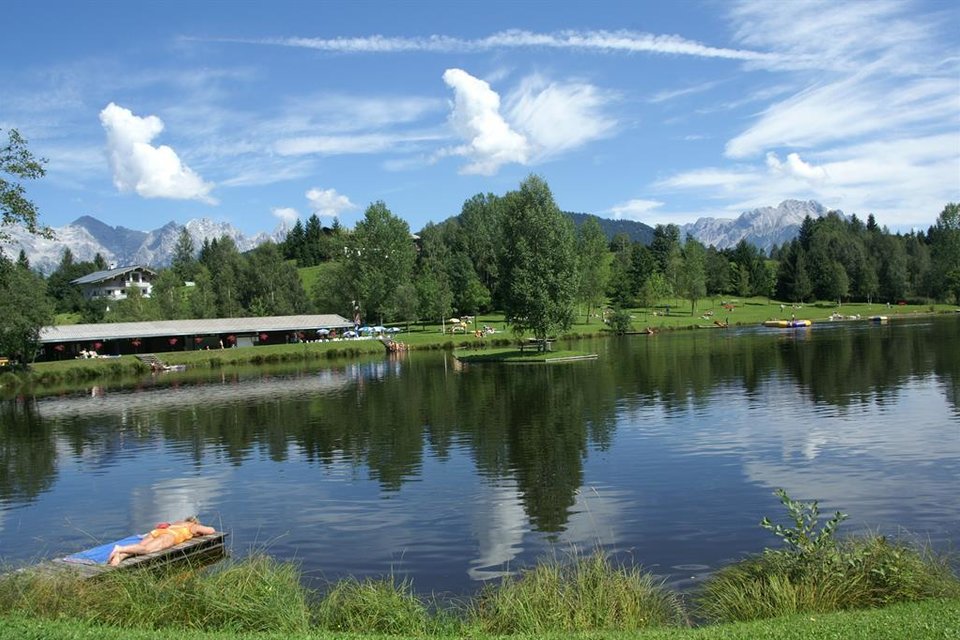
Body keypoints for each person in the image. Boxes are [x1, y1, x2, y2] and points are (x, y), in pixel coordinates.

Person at [107, 516, 216, 566]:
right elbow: (211, 531)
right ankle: (120, 548)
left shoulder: (177, 523)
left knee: (139, 548)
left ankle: (120, 556)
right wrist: (198, 531)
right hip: (169, 536)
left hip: (157, 532)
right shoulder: (193, 526)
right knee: (146, 550)